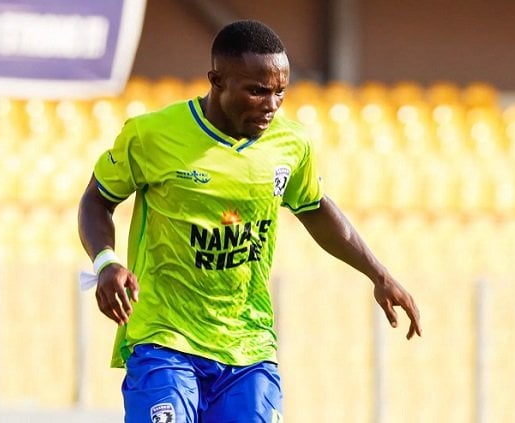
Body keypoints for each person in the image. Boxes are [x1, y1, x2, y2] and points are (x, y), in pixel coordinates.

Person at [78, 19, 421, 423]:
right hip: (164, 340)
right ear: (217, 81)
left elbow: (314, 208)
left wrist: (379, 274)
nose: (271, 104)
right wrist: (106, 261)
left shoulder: (291, 145)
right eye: (257, 91)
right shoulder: (151, 135)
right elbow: (96, 200)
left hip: (249, 348)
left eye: (280, 92)